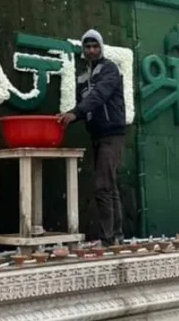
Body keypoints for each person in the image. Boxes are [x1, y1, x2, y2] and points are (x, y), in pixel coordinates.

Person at [57, 29, 126, 247]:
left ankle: (108, 239)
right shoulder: (82, 76)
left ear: (101, 47)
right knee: (110, 186)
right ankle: (116, 236)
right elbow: (85, 105)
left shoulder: (110, 69)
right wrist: (68, 116)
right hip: (96, 134)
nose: (91, 50)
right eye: (87, 47)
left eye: (95, 46)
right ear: (83, 50)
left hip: (112, 133)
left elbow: (99, 96)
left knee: (102, 186)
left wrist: (74, 114)